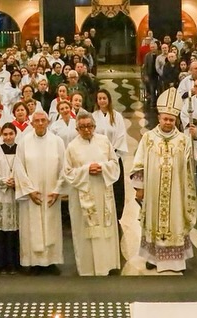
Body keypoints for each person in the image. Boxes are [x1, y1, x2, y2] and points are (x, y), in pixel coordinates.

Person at [130, 89, 197, 273]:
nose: (168, 122)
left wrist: (195, 141)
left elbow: (192, 165)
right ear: (159, 118)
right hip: (153, 191)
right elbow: (139, 163)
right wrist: (139, 188)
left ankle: (176, 262)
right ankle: (152, 257)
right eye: (165, 119)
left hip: (177, 191)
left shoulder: (184, 140)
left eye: (171, 120)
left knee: (175, 221)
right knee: (153, 221)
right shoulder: (148, 138)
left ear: (176, 120)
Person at [63, 111, 120, 276]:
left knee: (104, 230)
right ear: (77, 128)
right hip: (83, 195)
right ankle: (87, 268)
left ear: (94, 126)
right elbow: (67, 172)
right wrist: (87, 169)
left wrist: (103, 167)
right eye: (82, 127)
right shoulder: (72, 147)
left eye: (89, 126)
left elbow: (115, 164)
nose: (86, 130)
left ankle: (107, 265)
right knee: (85, 234)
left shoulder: (104, 141)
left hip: (102, 192)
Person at [14, 109, 66, 274]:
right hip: (32, 194)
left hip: (51, 193)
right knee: (32, 226)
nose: (40, 123)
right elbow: (19, 167)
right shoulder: (24, 142)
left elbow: (64, 167)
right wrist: (29, 190)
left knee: (52, 225)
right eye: (37, 121)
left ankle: (51, 261)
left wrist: (58, 190)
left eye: (43, 120)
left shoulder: (57, 141)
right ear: (31, 123)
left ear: (48, 122)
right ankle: (34, 262)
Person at [0, 122, 20, 274]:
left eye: (11, 134)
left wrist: (18, 182)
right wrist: (3, 181)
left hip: (16, 194)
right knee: (0, 232)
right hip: (0, 194)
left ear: (15, 134)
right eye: (5, 134)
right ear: (1, 136)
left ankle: (14, 263)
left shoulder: (21, 150)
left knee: (14, 232)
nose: (8, 137)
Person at [92, 89, 127, 221]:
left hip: (114, 156)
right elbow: (93, 134)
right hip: (99, 156)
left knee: (116, 186)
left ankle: (117, 213)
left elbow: (121, 134)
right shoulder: (94, 116)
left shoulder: (116, 116)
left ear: (109, 100)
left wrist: (112, 151)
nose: (102, 101)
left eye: (104, 98)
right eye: (99, 98)